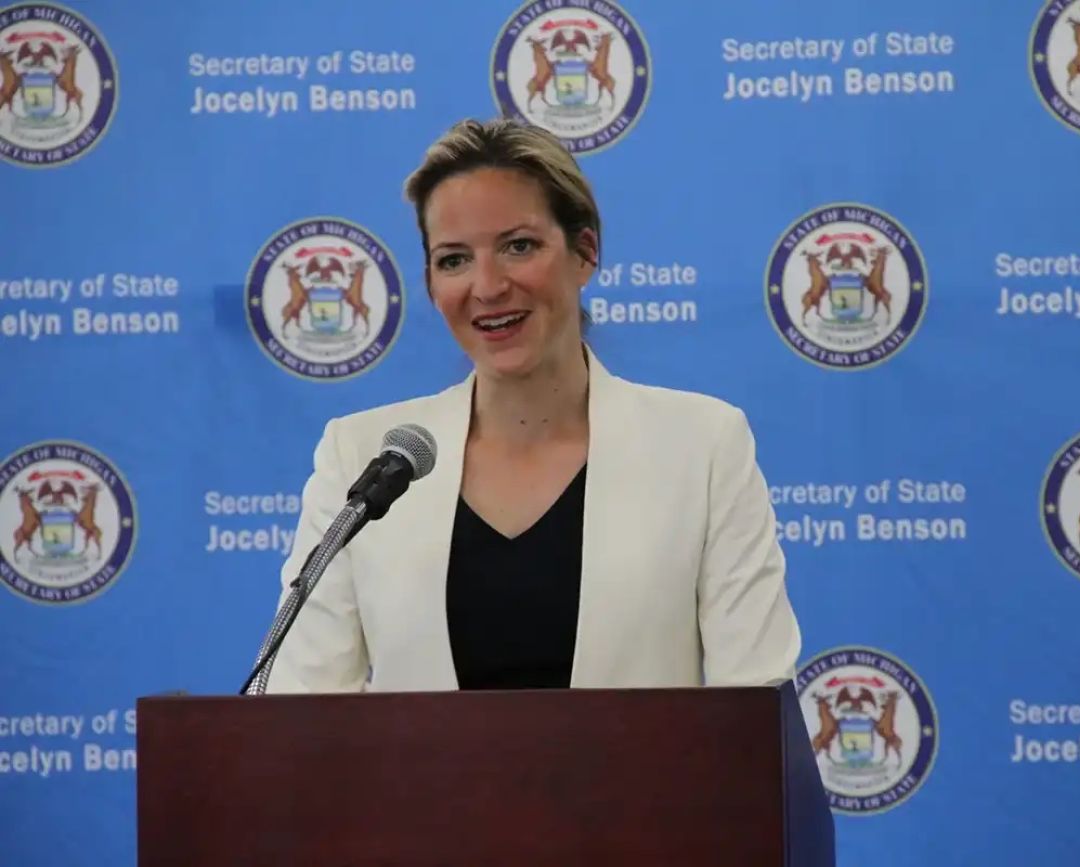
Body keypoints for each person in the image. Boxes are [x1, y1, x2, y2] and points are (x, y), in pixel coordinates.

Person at [261, 117, 800, 694]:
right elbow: (302, 709)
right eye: (454, 260)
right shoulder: (361, 458)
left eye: (519, 246)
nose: (488, 286)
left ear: (584, 251)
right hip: (422, 790)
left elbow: (755, 708)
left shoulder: (704, 446)